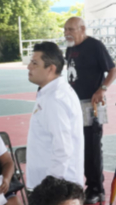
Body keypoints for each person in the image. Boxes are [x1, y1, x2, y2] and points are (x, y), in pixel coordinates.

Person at [64, 17, 116, 205]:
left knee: (92, 145)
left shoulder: (95, 46)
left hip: (92, 103)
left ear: (83, 29)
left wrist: (102, 89)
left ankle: (96, 188)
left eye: (71, 29)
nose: (67, 32)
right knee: (77, 145)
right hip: (74, 103)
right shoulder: (70, 48)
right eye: (65, 29)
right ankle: (84, 184)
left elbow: (113, 70)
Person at [26, 41, 84, 192]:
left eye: (34, 63)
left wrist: (51, 183)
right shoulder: (52, 92)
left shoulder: (55, 99)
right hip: (53, 183)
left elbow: (63, 148)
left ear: (50, 69)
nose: (29, 67)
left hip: (56, 188)